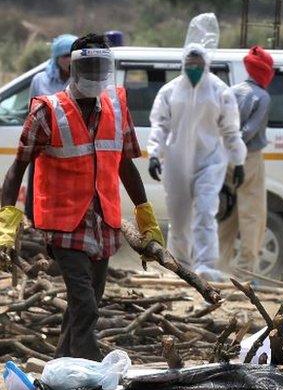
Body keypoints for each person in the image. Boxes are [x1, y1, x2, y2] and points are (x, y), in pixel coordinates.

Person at [0, 33, 163, 360]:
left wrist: (147, 218)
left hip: (103, 223)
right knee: (85, 305)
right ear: (73, 68)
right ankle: (89, 379)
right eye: (88, 65)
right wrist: (7, 224)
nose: (95, 73)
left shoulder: (117, 107)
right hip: (63, 226)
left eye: (101, 65)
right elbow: (17, 168)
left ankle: (59, 374)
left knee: (80, 308)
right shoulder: (48, 112)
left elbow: (126, 166)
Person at [147, 13, 245, 282]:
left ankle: (205, 263)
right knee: (178, 216)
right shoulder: (169, 92)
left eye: (198, 63)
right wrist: (154, 153)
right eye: (189, 63)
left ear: (206, 63)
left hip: (210, 161)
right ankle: (180, 264)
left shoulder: (219, 91)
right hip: (176, 162)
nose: (193, 67)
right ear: (182, 63)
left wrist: (238, 161)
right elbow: (159, 125)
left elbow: (230, 129)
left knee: (204, 211)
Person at [219, 45, 273, 273]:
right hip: (248, 158)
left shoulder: (231, 91)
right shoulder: (262, 97)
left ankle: (218, 267)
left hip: (224, 156)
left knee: (226, 214)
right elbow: (250, 130)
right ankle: (245, 271)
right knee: (252, 215)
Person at [22, 34, 78, 222]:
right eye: (64, 56)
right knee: (38, 193)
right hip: (43, 147)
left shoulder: (81, 81)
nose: (69, 60)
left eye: (72, 55)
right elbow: (32, 112)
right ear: (56, 58)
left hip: (72, 148)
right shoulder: (40, 80)